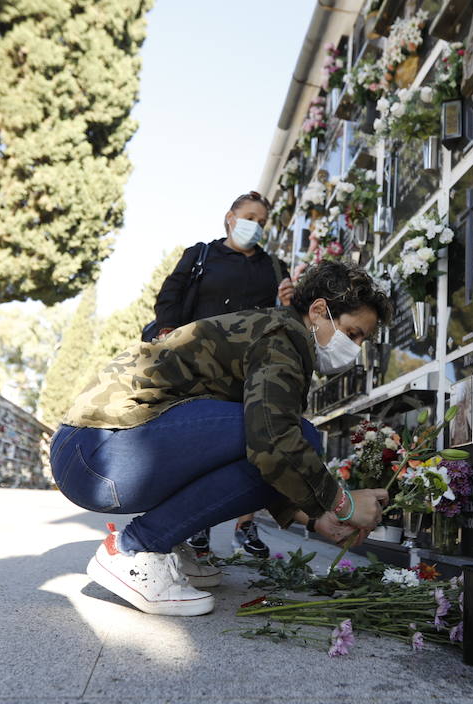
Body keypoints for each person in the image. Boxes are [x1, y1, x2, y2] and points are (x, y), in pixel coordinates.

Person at [50, 259, 392, 616]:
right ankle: (134, 549)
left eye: (362, 340)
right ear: (320, 310)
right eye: (353, 333)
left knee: (283, 436)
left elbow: (256, 450)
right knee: (293, 436)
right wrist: (342, 503)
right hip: (97, 452)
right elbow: (272, 441)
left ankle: (164, 540)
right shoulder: (283, 337)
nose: (355, 348)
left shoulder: (281, 334)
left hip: (93, 454)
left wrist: (315, 517)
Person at [152, 191, 294, 559]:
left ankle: (244, 526)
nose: (256, 226)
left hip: (248, 368)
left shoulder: (275, 267)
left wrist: (290, 301)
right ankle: (198, 521)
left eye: (262, 221)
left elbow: (285, 318)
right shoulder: (201, 255)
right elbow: (170, 294)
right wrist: (168, 330)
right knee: (201, 443)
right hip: (198, 364)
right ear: (230, 217)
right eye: (250, 217)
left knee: (250, 441)